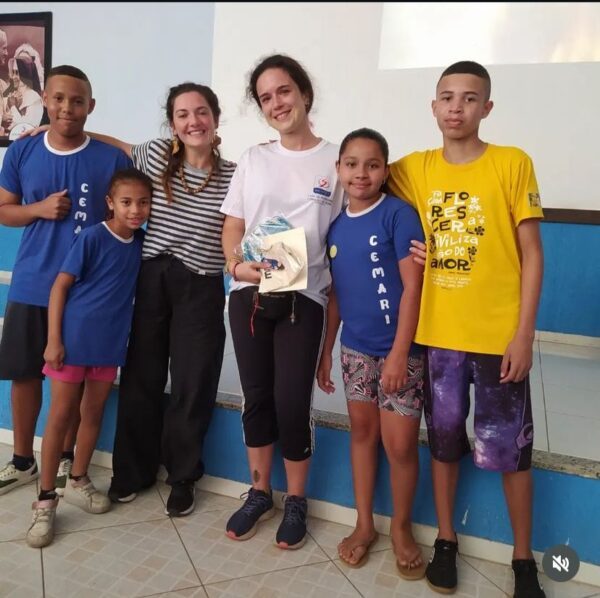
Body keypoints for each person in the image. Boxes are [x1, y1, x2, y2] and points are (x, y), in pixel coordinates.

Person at [387, 61, 545, 598]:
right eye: (447, 97)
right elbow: (359, 173)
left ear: (487, 108)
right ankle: (446, 540)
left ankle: (523, 558)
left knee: (511, 451)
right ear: (433, 107)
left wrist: (523, 334)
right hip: (440, 338)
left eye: (470, 98)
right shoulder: (414, 168)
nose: (457, 107)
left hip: (499, 340)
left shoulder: (512, 163)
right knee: (445, 445)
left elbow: (532, 253)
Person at [69, 83, 236, 517]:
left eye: (201, 112)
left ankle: (182, 477)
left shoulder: (235, 175)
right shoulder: (156, 154)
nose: (193, 121)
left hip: (201, 283)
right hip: (150, 278)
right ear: (172, 124)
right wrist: (53, 131)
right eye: (183, 114)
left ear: (215, 117)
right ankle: (132, 473)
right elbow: (113, 144)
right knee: (141, 378)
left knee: (193, 382)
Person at [220, 54, 344, 549]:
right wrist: (236, 265)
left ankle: (296, 499)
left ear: (304, 94)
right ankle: (259, 493)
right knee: (257, 397)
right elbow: (234, 225)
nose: (276, 103)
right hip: (250, 293)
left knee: (292, 401)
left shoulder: (337, 161)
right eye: (265, 97)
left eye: (284, 91)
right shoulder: (254, 158)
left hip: (304, 297)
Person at [0, 65, 131, 497]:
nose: (66, 108)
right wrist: (37, 210)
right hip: (32, 282)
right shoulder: (22, 151)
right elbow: (4, 210)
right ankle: (23, 460)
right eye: (58, 99)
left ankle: (65, 460)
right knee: (24, 374)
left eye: (77, 101)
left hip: (85, 294)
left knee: (70, 383)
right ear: (44, 100)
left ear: (90, 106)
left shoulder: (111, 159)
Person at [317, 128, 426, 575]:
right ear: (339, 169)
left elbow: (413, 288)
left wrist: (400, 353)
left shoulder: (399, 215)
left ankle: (401, 526)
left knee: (399, 445)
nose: (361, 173)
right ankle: (364, 524)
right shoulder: (336, 226)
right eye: (352, 164)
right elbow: (336, 296)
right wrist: (327, 351)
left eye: (372, 164)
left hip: (401, 353)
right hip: (355, 351)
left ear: (385, 170)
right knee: (362, 434)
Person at [26, 168, 151, 549]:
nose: (135, 210)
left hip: (109, 346)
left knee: (92, 413)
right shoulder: (93, 237)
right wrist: (54, 340)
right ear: (110, 202)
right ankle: (46, 499)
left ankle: (78, 477)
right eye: (126, 202)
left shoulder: (141, 242)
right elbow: (59, 287)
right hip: (73, 343)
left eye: (143, 202)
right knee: (61, 417)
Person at [3, 53, 44, 133]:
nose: (14, 77)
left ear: (25, 74)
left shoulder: (34, 97)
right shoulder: (11, 94)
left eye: (17, 73)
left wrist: (13, 107)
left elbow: (27, 127)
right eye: (13, 72)